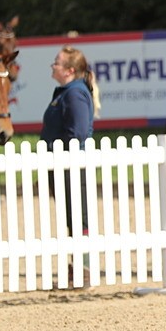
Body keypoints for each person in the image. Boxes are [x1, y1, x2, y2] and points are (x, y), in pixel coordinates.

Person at [41, 46, 101, 241]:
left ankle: (83, 265)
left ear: (69, 70)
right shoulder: (66, 92)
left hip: (72, 166)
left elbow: (78, 133)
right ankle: (78, 264)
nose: (52, 65)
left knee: (78, 217)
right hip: (64, 165)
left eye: (56, 63)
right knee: (71, 217)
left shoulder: (74, 94)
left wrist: (55, 151)